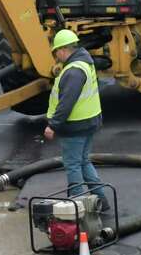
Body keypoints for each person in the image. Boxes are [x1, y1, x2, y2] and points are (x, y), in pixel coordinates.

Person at [43, 29, 105, 205]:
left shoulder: (73, 71)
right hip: (89, 121)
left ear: (62, 50)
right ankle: (101, 200)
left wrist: (53, 125)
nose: (56, 57)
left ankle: (77, 205)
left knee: (73, 165)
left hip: (75, 126)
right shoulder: (85, 61)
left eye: (56, 53)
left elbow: (66, 103)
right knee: (83, 162)